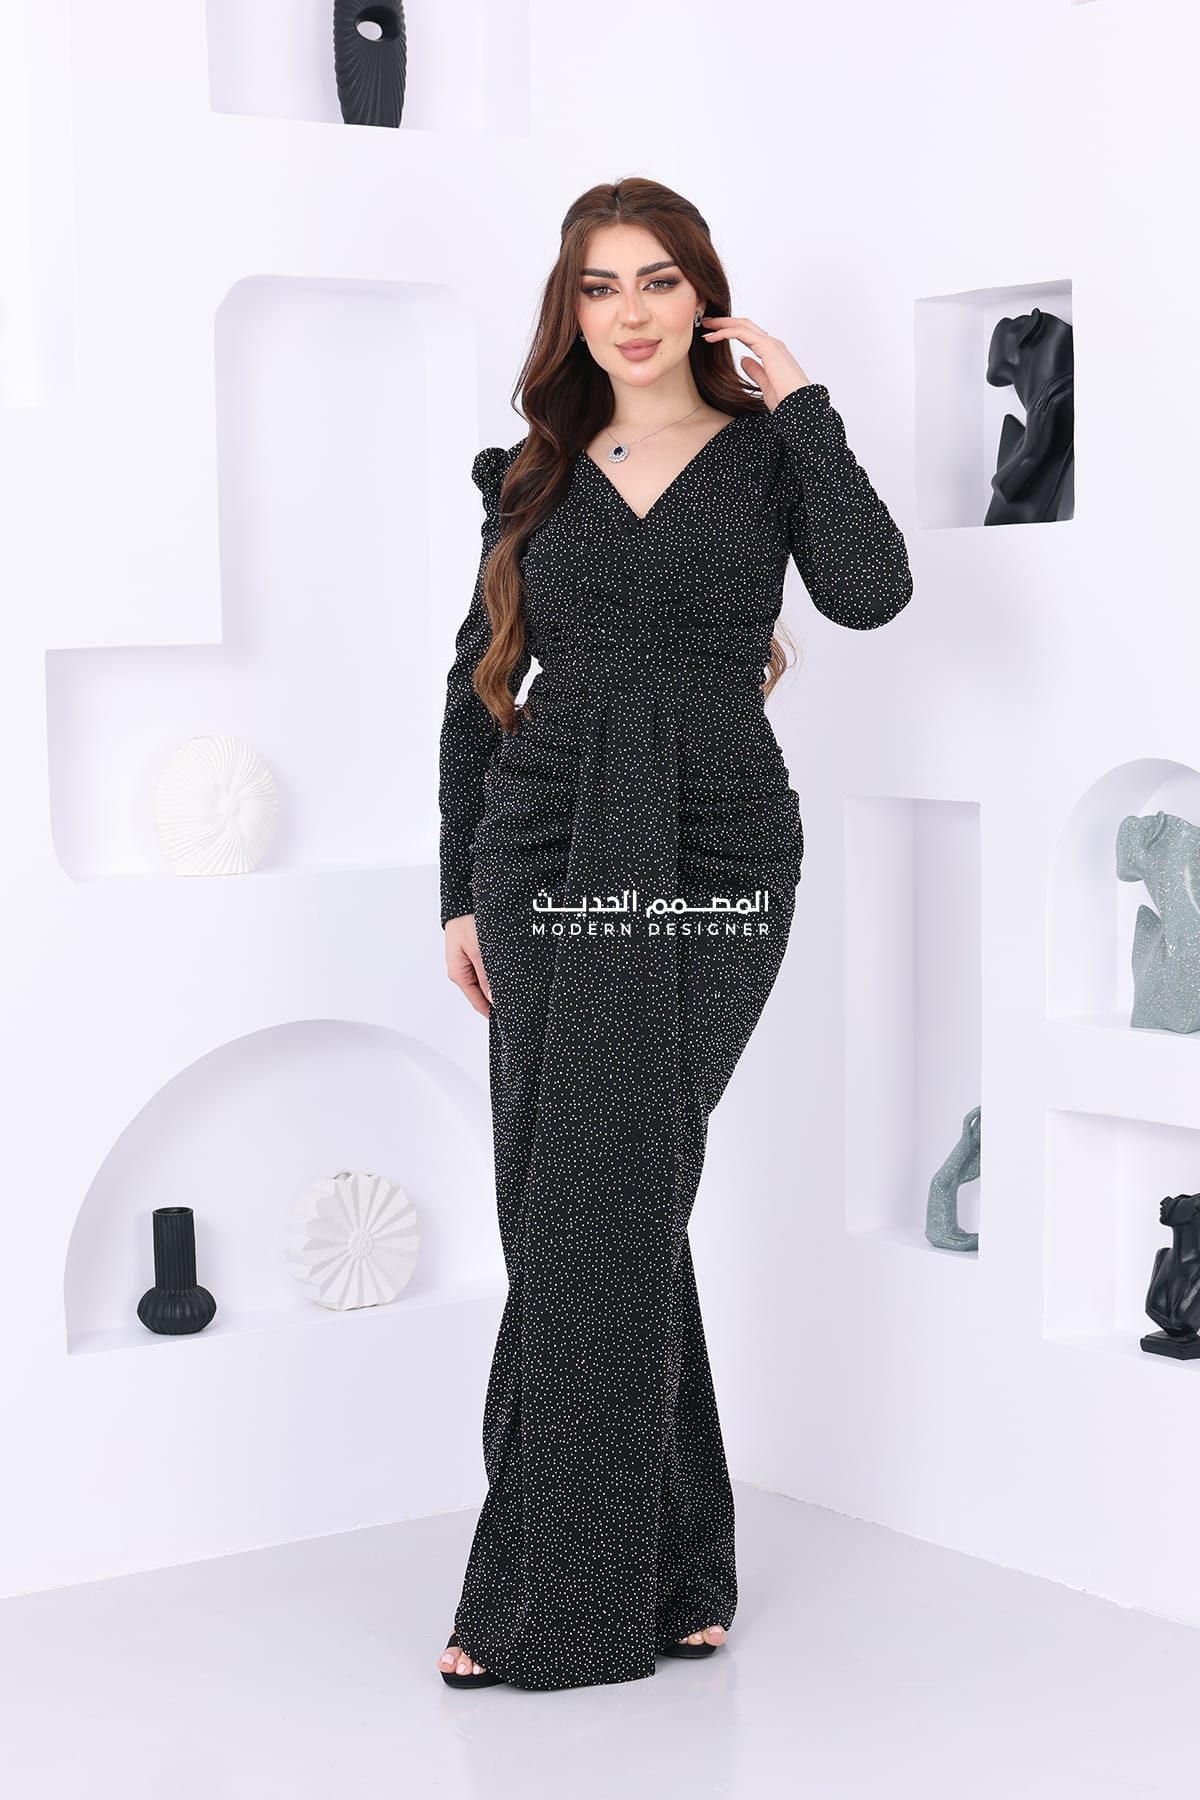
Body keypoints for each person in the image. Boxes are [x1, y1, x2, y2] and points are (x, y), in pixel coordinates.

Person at [435, 177, 913, 1693]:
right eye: (599, 286)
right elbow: (474, 689)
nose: (629, 312)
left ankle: (547, 1597)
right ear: (568, 310)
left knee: (612, 1191)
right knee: (592, 1202)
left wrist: (811, 407)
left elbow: (873, 594)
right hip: (545, 846)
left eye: (656, 280)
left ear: (702, 295)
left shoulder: (770, 458)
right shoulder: (530, 473)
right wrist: (457, 889)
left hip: (716, 850)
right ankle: (676, 1567)